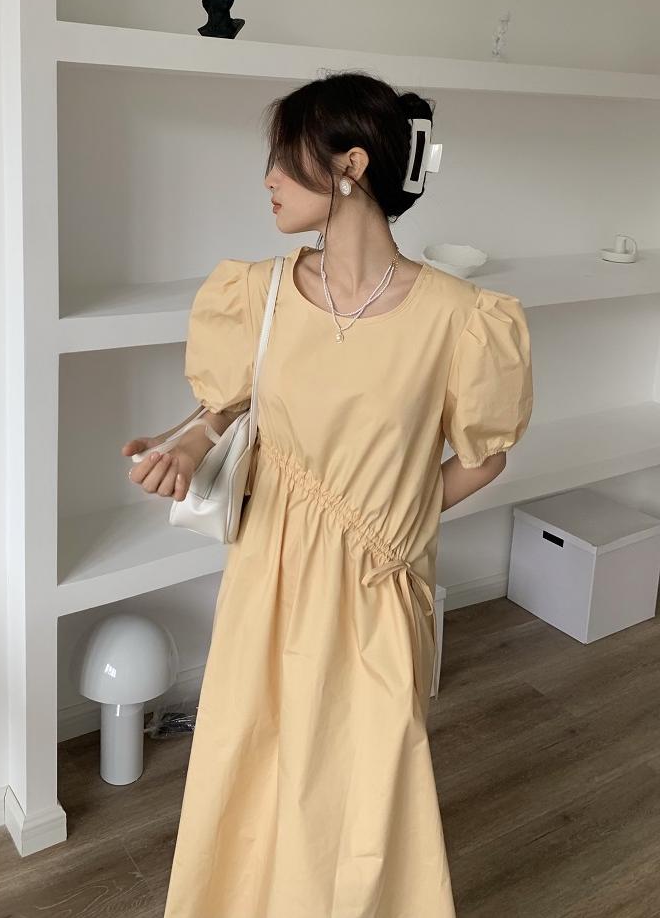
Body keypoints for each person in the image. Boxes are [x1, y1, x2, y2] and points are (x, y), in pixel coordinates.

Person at [125, 68, 532, 915]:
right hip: (267, 573)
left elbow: (484, 457)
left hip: (378, 588)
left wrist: (393, 526)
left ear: (350, 166)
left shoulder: (460, 316)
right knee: (251, 762)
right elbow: (223, 407)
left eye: (285, 157)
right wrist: (182, 446)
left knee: (367, 786)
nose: (268, 178)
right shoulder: (260, 292)